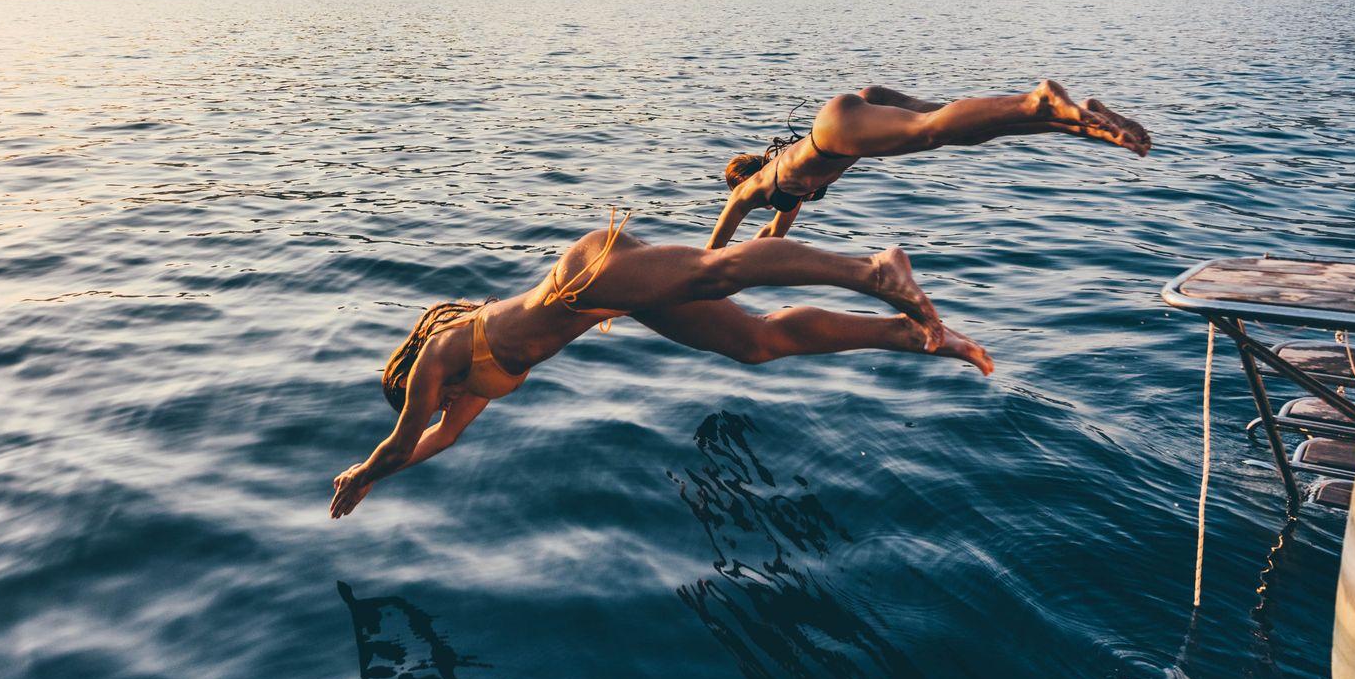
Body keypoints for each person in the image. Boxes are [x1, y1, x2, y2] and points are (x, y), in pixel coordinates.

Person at [329, 221, 992, 518]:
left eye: (431, 395)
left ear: (418, 374)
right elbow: (438, 439)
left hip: (582, 275)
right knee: (753, 344)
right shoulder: (471, 389)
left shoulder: (442, 354)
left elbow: (400, 438)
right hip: (605, 298)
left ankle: (871, 271)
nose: (439, 403)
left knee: (718, 269)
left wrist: (363, 473)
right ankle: (906, 334)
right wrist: (380, 480)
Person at [708, 80, 1149, 248]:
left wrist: (685, 290)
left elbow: (716, 244)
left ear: (740, 182)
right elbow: (772, 236)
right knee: (963, 132)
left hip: (836, 132)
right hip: (856, 112)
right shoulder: (784, 193)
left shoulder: (757, 189)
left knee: (932, 130)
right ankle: (1079, 121)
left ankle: (1039, 99)